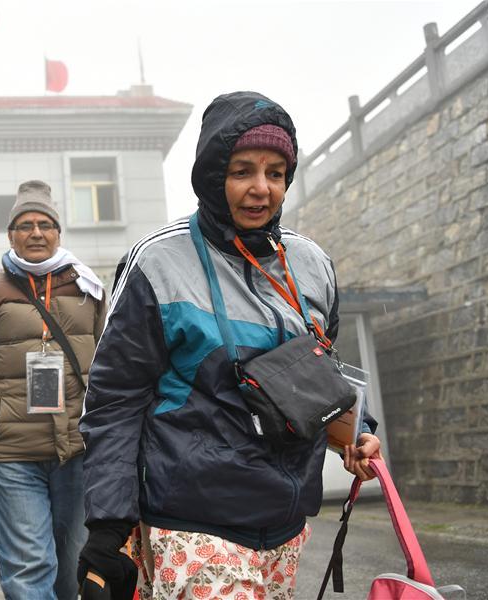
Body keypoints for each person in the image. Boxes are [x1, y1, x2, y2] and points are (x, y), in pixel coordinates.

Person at [77, 92, 382, 600]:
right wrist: (108, 527)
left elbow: (319, 374)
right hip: (192, 524)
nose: (261, 189)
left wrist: (359, 432)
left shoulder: (313, 265)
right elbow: (114, 401)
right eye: (243, 171)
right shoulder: (158, 262)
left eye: (276, 173)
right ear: (213, 175)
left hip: (286, 526)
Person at [0, 180, 107, 600]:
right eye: (25, 224)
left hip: (78, 453)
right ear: (11, 234)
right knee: (28, 571)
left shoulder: (90, 291)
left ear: (58, 233)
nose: (36, 232)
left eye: (45, 224)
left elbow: (113, 375)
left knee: (75, 569)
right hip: (14, 456)